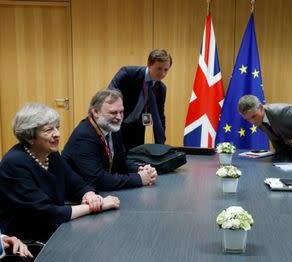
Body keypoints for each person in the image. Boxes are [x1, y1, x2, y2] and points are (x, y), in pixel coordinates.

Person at [0, 104, 120, 242]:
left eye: (57, 127)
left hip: (54, 229)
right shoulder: (15, 163)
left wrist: (90, 195)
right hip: (26, 241)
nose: (57, 134)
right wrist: (96, 206)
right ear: (29, 137)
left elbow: (75, 184)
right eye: (49, 130)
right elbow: (46, 213)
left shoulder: (51, 154)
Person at [62, 89, 157, 191]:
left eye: (121, 112)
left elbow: (119, 163)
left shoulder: (112, 127)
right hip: (77, 196)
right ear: (95, 112)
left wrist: (139, 169)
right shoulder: (83, 137)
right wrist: (138, 179)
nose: (119, 117)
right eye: (113, 113)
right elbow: (98, 180)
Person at [108, 49, 172, 150]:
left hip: (137, 128)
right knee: (117, 160)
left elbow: (160, 116)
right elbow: (109, 95)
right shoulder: (128, 73)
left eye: (166, 70)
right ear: (149, 64)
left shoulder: (161, 89)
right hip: (118, 124)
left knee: (135, 159)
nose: (162, 73)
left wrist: (161, 144)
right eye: (159, 68)